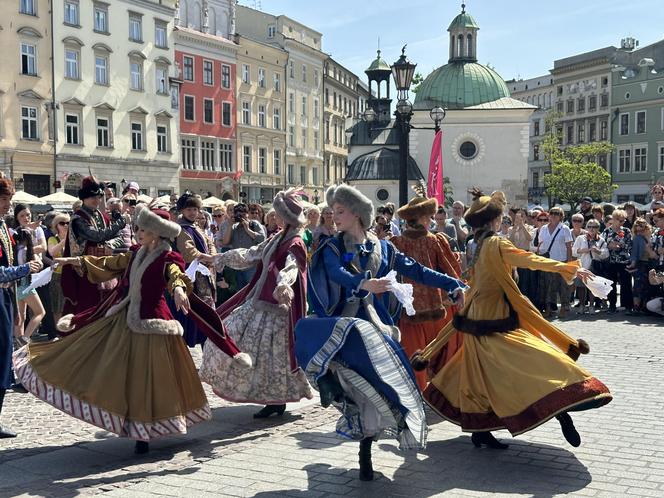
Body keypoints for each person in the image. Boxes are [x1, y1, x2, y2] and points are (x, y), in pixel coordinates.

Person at [14, 205, 248, 454]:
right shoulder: (136, 253)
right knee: (116, 369)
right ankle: (133, 426)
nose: (137, 233)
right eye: (138, 229)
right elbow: (110, 262)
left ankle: (144, 433)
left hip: (154, 325)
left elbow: (175, 275)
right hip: (125, 318)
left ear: (156, 234)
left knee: (149, 379)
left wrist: (179, 290)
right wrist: (75, 260)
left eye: (143, 229)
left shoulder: (167, 257)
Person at [412, 189, 612, 451]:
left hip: (476, 322)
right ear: (494, 220)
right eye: (499, 216)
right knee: (537, 361)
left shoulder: (476, 243)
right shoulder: (496, 243)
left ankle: (483, 430)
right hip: (494, 324)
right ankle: (561, 409)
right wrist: (568, 266)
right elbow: (529, 259)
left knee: (479, 379)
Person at [294, 185, 467, 481]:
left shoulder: (384, 247)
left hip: (377, 324)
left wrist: (453, 284)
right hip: (345, 322)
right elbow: (335, 273)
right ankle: (329, 381)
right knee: (306, 331)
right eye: (332, 212)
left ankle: (366, 447)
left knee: (378, 387)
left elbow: (418, 270)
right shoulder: (332, 247)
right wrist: (362, 284)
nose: (333, 217)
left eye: (340, 211)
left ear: (357, 214)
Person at [201, 189, 313, 418]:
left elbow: (292, 268)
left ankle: (277, 399)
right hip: (260, 300)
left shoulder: (295, 242)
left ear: (288, 217)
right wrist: (218, 258)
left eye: (279, 214)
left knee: (273, 355)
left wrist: (283, 285)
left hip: (278, 307)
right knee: (238, 337)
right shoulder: (277, 237)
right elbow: (251, 254)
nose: (274, 217)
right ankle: (271, 396)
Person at [390, 196, 463, 390]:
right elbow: (451, 269)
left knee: (414, 355)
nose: (431, 220)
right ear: (422, 219)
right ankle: (443, 392)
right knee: (445, 350)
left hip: (408, 310)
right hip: (436, 307)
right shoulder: (435, 240)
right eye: (429, 217)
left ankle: (417, 394)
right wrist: (457, 290)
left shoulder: (395, 242)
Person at [0, 177, 42, 438]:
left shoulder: (4, 226)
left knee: (4, 359)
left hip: (5, 298)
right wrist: (24, 269)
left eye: (8, 200)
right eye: (4, 200)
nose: (7, 205)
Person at [61, 176, 127, 315]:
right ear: (84, 198)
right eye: (93, 197)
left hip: (103, 266)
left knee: (107, 306)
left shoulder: (102, 216)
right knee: (87, 308)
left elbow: (120, 238)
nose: (97, 201)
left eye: (99, 197)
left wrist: (110, 243)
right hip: (85, 270)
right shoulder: (78, 218)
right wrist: (118, 224)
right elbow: (97, 235)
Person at [174, 194, 217, 348]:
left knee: (207, 314)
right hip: (192, 278)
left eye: (195, 209)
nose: (192, 212)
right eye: (189, 209)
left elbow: (209, 242)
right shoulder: (181, 229)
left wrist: (213, 255)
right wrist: (206, 258)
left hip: (205, 275)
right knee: (194, 314)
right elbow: (188, 251)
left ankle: (207, 346)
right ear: (182, 210)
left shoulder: (196, 226)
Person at [532, 207, 574, 318]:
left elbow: (569, 247)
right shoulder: (544, 229)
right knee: (549, 286)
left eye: (557, 213)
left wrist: (569, 263)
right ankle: (549, 308)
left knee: (563, 286)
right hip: (548, 261)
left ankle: (564, 307)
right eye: (552, 213)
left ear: (561, 216)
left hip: (562, 261)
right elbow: (541, 246)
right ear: (549, 215)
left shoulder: (564, 228)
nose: (554, 215)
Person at [12, 228, 45, 346]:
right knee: (40, 312)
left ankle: (18, 343)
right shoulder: (26, 251)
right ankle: (24, 338)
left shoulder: (15, 251)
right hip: (26, 285)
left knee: (21, 317)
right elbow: (39, 265)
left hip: (16, 286)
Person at [220, 203, 266, 288]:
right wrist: (230, 225)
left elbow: (262, 239)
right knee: (239, 291)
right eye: (238, 214)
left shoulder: (254, 224)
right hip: (238, 265)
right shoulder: (234, 227)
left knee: (252, 288)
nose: (241, 216)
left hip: (252, 265)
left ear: (247, 214)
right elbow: (225, 242)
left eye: (243, 214)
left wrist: (248, 229)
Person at [572, 219, 608, 314]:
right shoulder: (581, 238)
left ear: (598, 228)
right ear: (586, 228)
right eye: (590, 227)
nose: (592, 229)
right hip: (582, 266)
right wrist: (586, 250)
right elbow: (574, 251)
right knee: (580, 287)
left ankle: (591, 306)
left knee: (592, 287)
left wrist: (598, 251)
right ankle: (582, 306)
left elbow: (606, 254)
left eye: (594, 227)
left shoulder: (601, 240)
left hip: (594, 267)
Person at [601, 209, 633, 313]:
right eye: (620, 220)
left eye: (624, 220)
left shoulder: (626, 231)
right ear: (614, 219)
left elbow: (630, 245)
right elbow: (601, 245)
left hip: (624, 261)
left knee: (626, 284)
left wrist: (623, 246)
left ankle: (628, 306)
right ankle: (612, 305)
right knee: (611, 284)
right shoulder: (606, 231)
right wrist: (609, 246)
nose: (622, 223)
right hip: (611, 262)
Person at [626, 218, 656, 314]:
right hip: (641, 263)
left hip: (652, 263)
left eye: (642, 229)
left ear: (647, 228)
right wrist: (633, 264)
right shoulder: (637, 238)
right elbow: (634, 253)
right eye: (637, 230)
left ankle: (645, 307)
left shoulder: (654, 236)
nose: (639, 232)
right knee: (638, 285)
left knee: (649, 285)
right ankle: (636, 307)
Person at [47, 213, 70, 324]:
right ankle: (59, 331)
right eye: (62, 223)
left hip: (72, 273)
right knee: (57, 306)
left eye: (68, 223)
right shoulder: (52, 239)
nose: (65, 225)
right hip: (58, 275)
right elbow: (52, 252)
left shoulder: (74, 239)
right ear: (56, 226)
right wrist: (64, 241)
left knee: (69, 304)